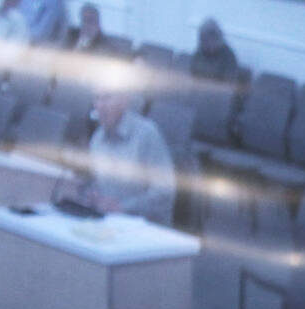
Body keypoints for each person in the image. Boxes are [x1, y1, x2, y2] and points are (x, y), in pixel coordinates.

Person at [83, 76, 176, 224]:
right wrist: (93, 196)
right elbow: (100, 184)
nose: (100, 105)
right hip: (109, 224)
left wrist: (123, 208)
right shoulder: (97, 139)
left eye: (107, 98)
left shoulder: (147, 134)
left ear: (124, 101)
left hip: (146, 228)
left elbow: (164, 193)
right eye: (97, 98)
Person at [190, 18, 238, 83]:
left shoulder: (229, 56)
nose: (208, 43)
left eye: (211, 39)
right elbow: (192, 72)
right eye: (204, 40)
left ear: (218, 38)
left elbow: (228, 82)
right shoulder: (199, 52)